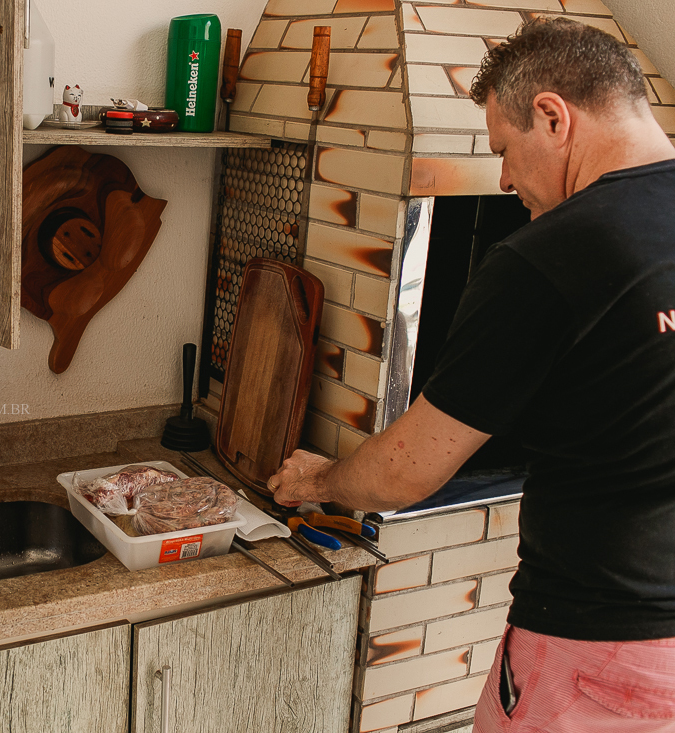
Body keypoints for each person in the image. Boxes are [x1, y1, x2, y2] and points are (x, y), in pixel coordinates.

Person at [267, 17, 675, 731]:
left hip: (594, 650)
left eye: (505, 150)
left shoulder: (549, 256)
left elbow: (407, 472)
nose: (507, 178)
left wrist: (320, 480)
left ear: (553, 116)